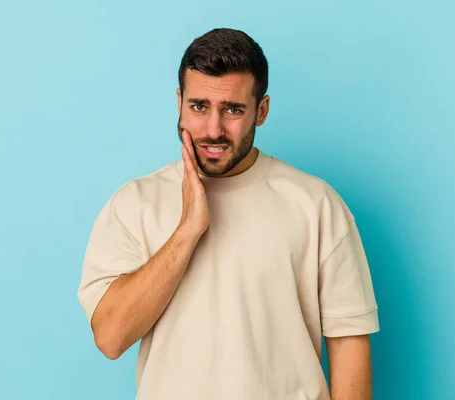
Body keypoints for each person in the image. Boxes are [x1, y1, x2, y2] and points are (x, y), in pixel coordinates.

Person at [77, 27, 380, 400]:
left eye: (233, 109)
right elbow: (110, 337)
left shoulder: (316, 204)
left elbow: (349, 343)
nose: (213, 129)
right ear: (180, 103)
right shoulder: (134, 203)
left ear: (262, 111)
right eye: (199, 107)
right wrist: (188, 230)